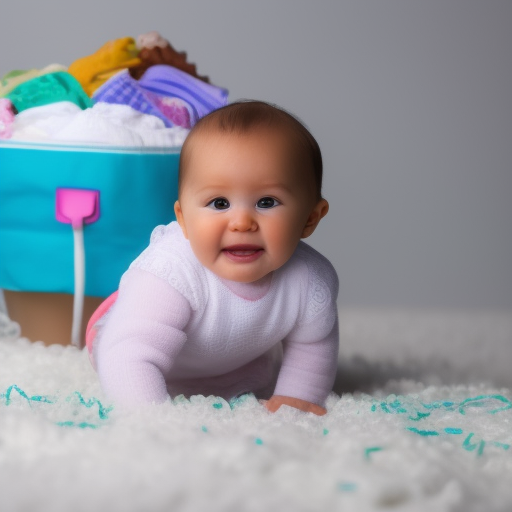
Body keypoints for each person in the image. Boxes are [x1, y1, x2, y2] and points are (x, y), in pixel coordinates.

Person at [87, 100, 339, 415]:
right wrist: (153, 421)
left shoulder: (312, 280)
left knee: (255, 379)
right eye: (219, 203)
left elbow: (313, 347)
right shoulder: (170, 271)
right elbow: (127, 355)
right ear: (183, 219)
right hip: (130, 341)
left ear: (310, 219)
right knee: (133, 349)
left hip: (235, 360)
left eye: (267, 201)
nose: (242, 222)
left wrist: (296, 398)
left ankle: (225, 381)